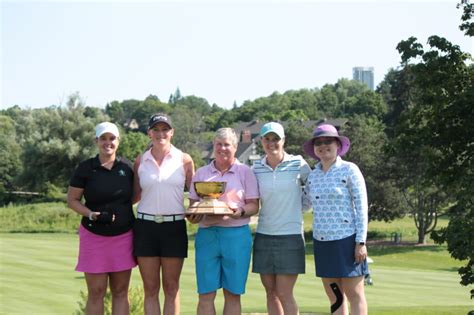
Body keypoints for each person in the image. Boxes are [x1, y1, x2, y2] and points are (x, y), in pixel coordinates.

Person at [187, 127, 259, 315]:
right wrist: (194, 215)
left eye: (227, 144)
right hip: (207, 236)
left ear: (235, 147)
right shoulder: (202, 173)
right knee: (205, 294)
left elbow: (254, 205)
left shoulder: (245, 172)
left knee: (233, 294)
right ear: (213, 146)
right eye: (219, 144)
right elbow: (194, 204)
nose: (222, 148)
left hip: (236, 236)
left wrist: (240, 211)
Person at [67, 121, 136, 315]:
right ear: (96, 141)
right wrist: (89, 213)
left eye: (112, 138)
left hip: (123, 236)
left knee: (121, 291)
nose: (108, 142)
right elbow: (72, 200)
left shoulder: (127, 168)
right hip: (93, 235)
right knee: (96, 292)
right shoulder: (85, 168)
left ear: (118, 141)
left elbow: (135, 195)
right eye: (103, 138)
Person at [302, 124, 369, 315]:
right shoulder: (312, 176)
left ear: (337, 144)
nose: (323, 146)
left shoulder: (350, 170)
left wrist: (361, 241)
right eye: (318, 143)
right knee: (335, 296)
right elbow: (304, 204)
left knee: (354, 294)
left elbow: (362, 207)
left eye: (328, 141)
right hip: (322, 242)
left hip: (348, 240)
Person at [133, 113, 195, 315]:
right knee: (150, 289)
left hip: (174, 227)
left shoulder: (184, 160)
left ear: (172, 132)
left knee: (171, 287)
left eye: (165, 129)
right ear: (149, 133)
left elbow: (195, 197)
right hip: (145, 227)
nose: (161, 133)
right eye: (156, 129)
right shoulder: (141, 160)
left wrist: (198, 211)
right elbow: (134, 195)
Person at [251, 122, 311, 315]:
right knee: (271, 293)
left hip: (290, 236)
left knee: (284, 293)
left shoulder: (298, 163)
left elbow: (312, 190)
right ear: (261, 141)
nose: (271, 143)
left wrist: (299, 208)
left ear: (283, 140)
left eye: (275, 139)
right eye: (267, 139)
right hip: (264, 235)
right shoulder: (256, 168)